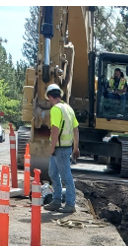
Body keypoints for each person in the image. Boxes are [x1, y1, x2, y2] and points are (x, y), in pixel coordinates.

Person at [45, 84, 79, 213]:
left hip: (60, 149)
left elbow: (55, 130)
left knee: (66, 176)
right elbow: (76, 129)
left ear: (49, 97)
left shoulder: (56, 109)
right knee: (53, 173)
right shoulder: (68, 109)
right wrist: (76, 147)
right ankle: (56, 200)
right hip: (65, 148)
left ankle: (70, 204)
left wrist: (52, 148)